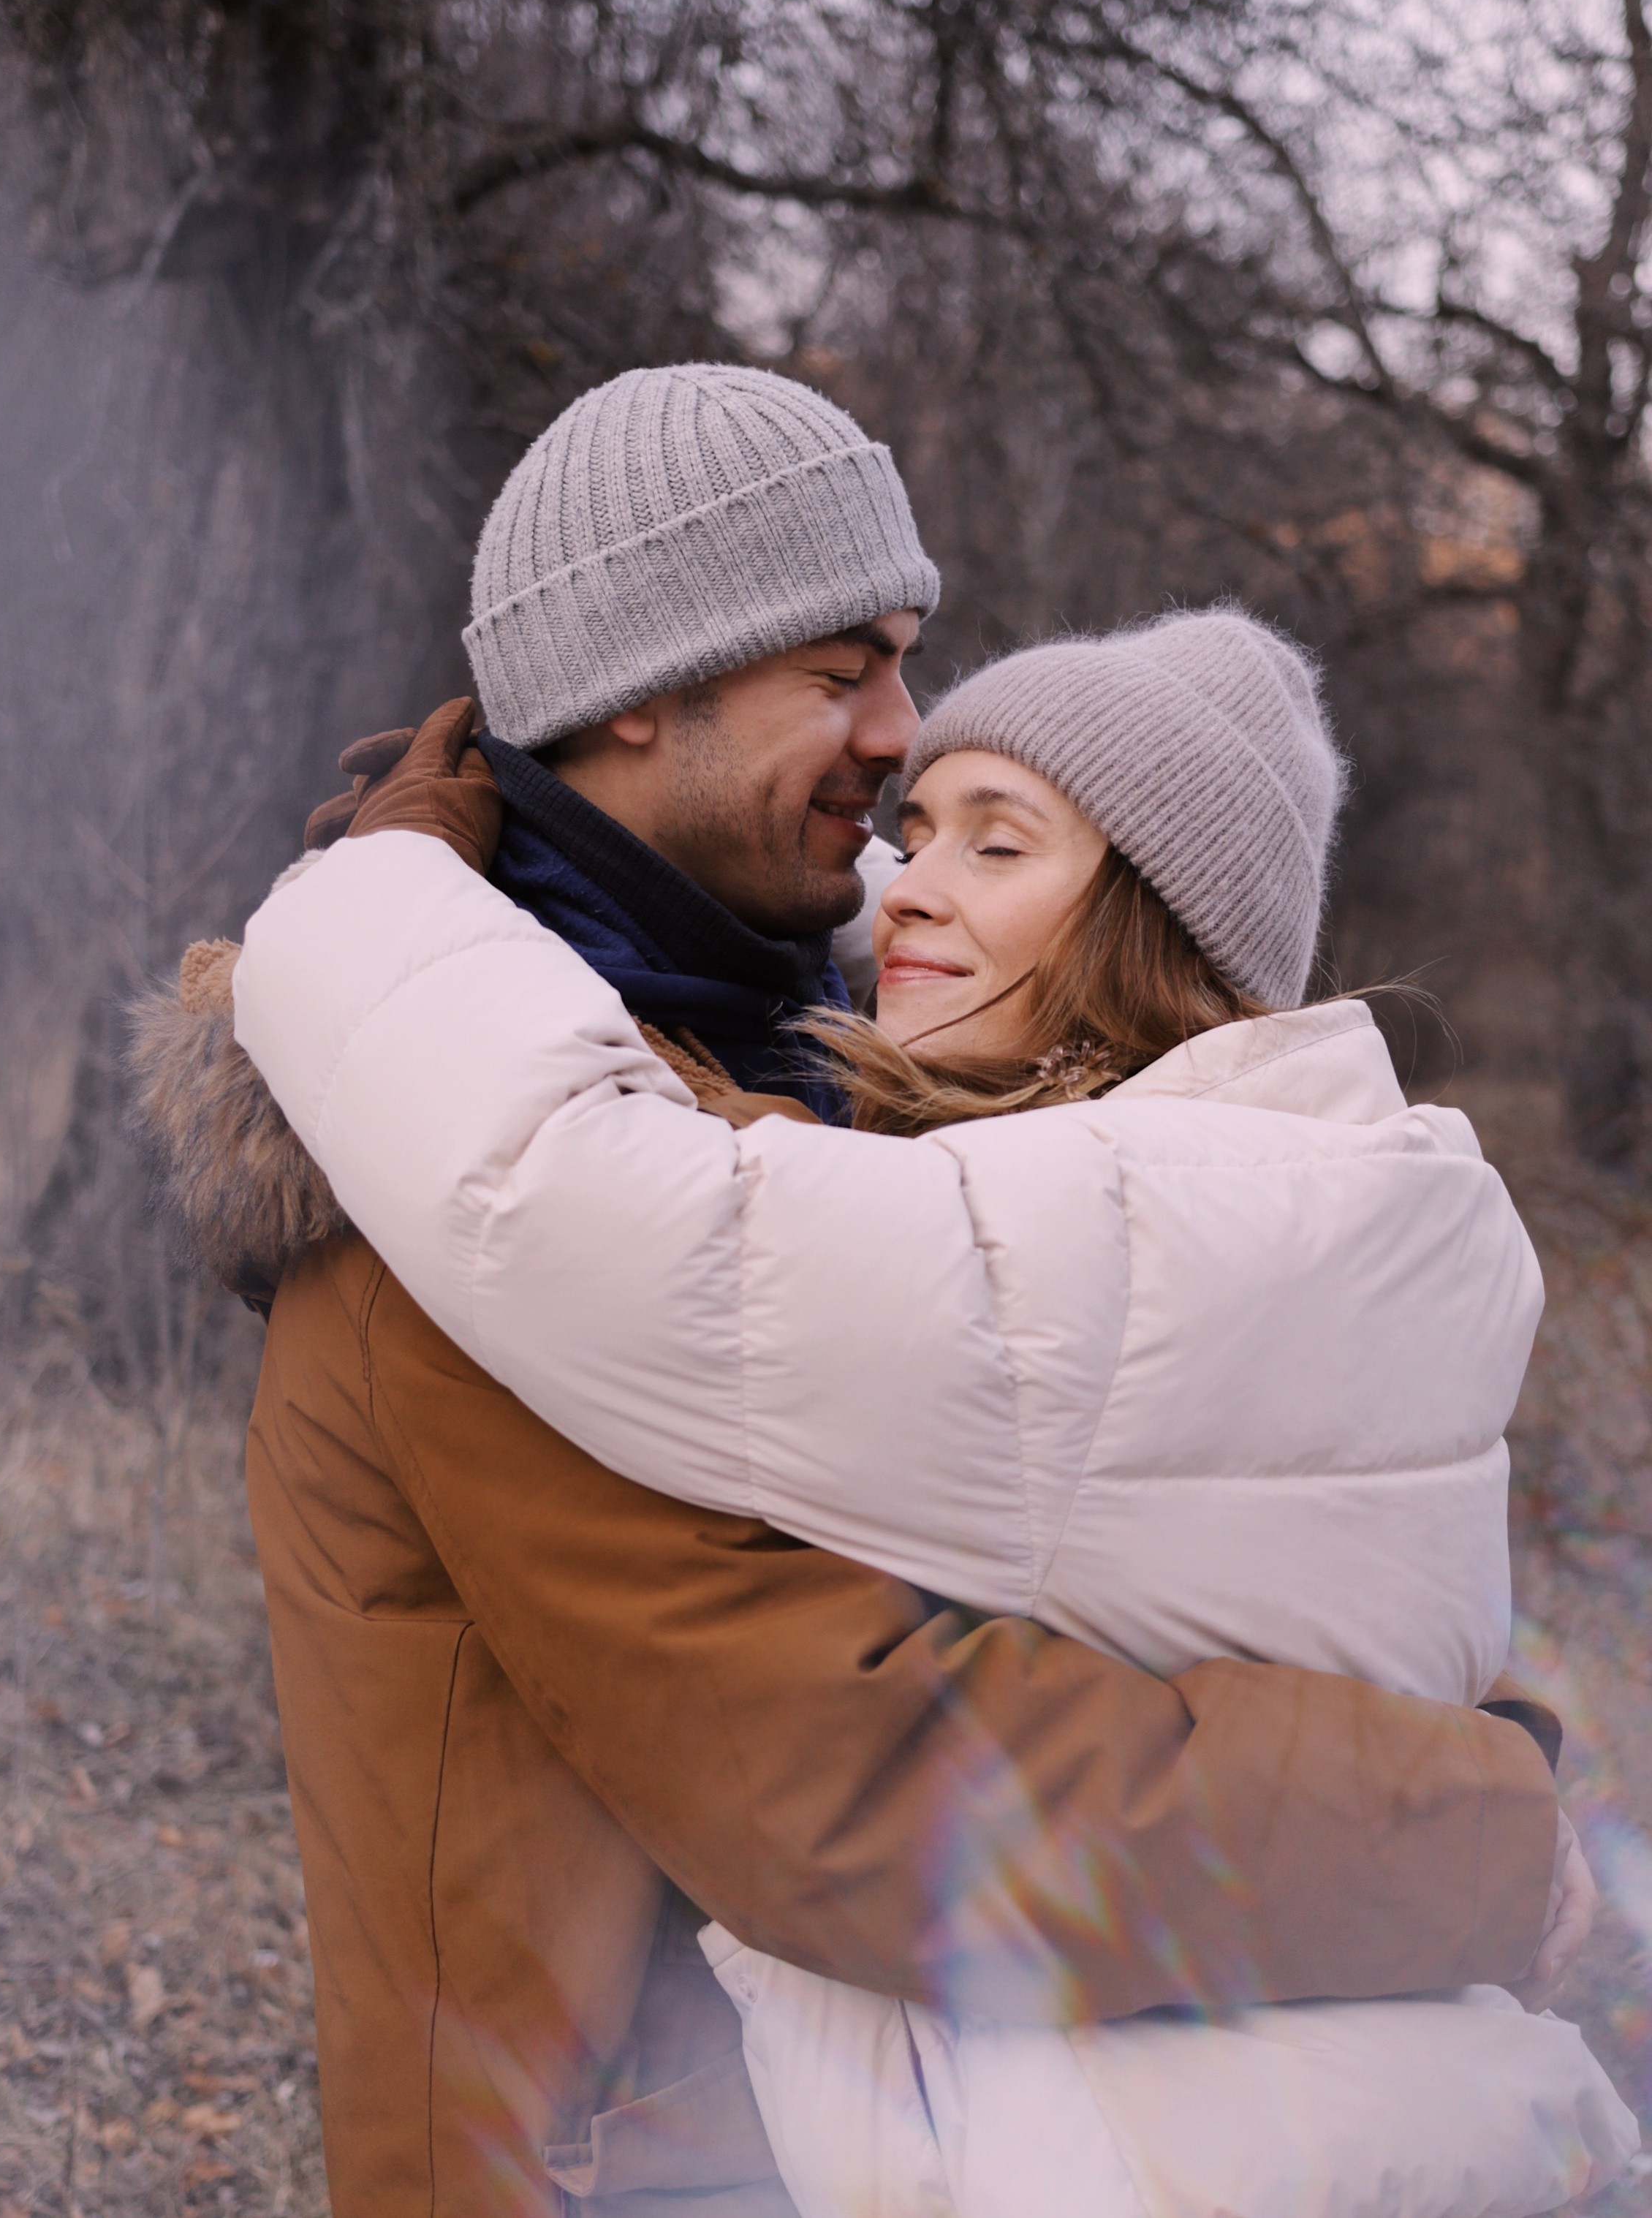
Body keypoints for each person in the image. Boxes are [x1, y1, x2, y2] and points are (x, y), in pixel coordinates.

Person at [140, 367, 1584, 2217]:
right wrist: (1464, 1826)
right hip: (633, 2166)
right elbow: (862, 1780)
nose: (897, 732)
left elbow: (1133, 1567)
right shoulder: (455, 1201)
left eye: (903, 663)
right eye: (843, 674)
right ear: (636, 692)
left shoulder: (825, 1083)